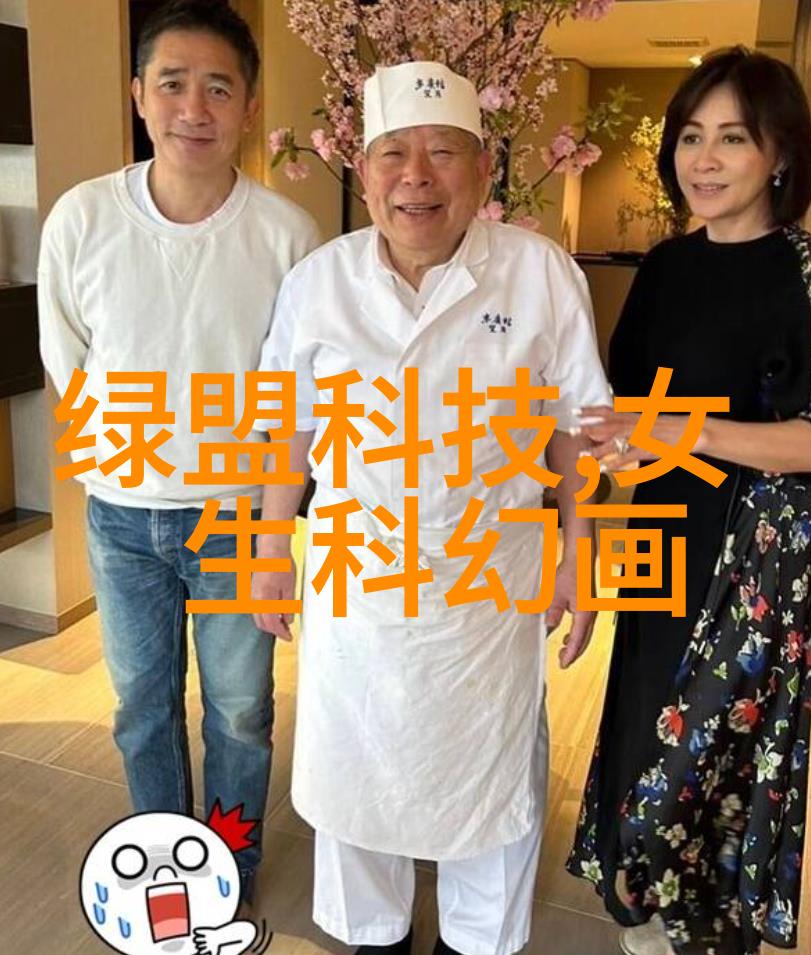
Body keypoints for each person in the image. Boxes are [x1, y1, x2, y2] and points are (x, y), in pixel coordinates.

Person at [253, 60, 610, 955]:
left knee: (488, 774)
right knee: (357, 768)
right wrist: (267, 546)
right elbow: (289, 429)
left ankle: (476, 941)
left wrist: (581, 552)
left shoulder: (538, 273)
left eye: (443, 152)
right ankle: (373, 936)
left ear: (483, 170)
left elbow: (576, 430)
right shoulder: (319, 282)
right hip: (357, 576)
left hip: (489, 577)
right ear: (362, 171)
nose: (417, 177)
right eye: (393, 154)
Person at [565, 46, 811, 955]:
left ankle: (706, 926)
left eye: (732, 137)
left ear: (780, 153)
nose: (704, 158)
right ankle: (649, 912)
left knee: (715, 747)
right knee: (647, 723)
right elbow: (625, 412)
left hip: (757, 553)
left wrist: (684, 430)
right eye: (691, 136)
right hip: (666, 528)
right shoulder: (664, 268)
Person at [37, 0, 319, 902]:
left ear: (249, 104)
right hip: (122, 517)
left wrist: (274, 531)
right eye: (172, 84)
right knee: (141, 708)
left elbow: (298, 394)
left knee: (240, 711)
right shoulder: (83, 217)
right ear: (138, 95)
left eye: (218, 88)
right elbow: (68, 359)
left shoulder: (287, 235)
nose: (194, 108)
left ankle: (229, 866)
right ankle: (168, 865)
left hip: (237, 516)